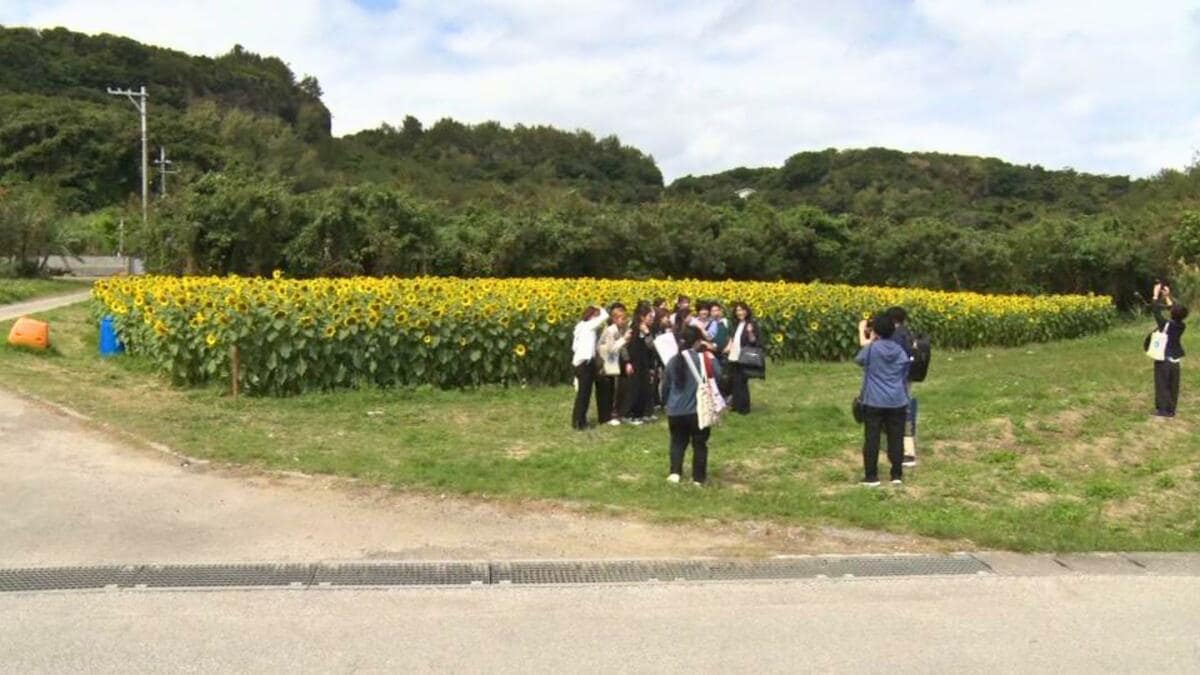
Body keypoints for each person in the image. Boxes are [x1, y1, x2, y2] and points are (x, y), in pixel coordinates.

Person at [855, 314, 910, 486]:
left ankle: (871, 476)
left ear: (875, 331)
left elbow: (859, 360)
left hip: (874, 400)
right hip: (897, 400)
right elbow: (904, 367)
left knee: (872, 438)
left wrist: (869, 337)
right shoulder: (899, 350)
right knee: (896, 437)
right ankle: (896, 475)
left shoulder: (871, 349)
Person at [662, 326, 721, 485]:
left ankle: (675, 473)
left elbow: (665, 385)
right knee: (699, 444)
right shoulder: (706, 359)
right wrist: (712, 353)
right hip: (698, 410)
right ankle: (698, 478)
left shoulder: (674, 360)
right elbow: (719, 376)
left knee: (677, 442)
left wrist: (665, 403)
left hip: (675, 410)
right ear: (697, 341)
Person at [886, 306, 918, 468]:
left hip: (898, 378)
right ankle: (905, 448)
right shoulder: (908, 332)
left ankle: (907, 452)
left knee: (902, 412)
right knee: (906, 410)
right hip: (908, 376)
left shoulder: (895, 335)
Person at [1152, 282, 1188, 418]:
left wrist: (1155, 295)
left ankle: (1162, 411)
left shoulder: (1165, 324)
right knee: (1173, 386)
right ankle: (1171, 410)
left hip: (1164, 359)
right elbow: (1175, 310)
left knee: (1162, 384)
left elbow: (1155, 311)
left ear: (1172, 313)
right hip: (1175, 360)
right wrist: (1167, 296)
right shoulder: (1181, 325)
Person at [570, 304, 609, 430]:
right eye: (596, 315)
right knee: (584, 395)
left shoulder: (580, 326)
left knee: (582, 394)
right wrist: (600, 307)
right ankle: (579, 422)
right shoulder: (589, 325)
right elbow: (605, 316)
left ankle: (578, 420)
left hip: (579, 363)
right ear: (592, 315)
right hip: (586, 363)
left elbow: (574, 347)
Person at [595, 303, 630, 426]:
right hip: (603, 364)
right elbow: (611, 349)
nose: (624, 321)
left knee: (611, 389)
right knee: (605, 390)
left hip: (610, 363)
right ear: (615, 319)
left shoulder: (618, 329)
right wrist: (624, 339)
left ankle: (609, 415)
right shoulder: (610, 330)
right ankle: (605, 417)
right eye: (622, 318)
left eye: (625, 318)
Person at [623, 305, 657, 424]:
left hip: (644, 363)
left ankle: (642, 413)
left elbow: (652, 347)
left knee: (644, 388)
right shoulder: (632, 329)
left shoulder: (648, 329)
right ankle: (628, 415)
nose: (652, 319)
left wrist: (647, 333)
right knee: (634, 389)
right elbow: (625, 347)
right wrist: (627, 362)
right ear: (642, 317)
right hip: (633, 363)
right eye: (650, 316)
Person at [724, 301, 759, 415]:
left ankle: (744, 408)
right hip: (734, 356)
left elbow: (754, 340)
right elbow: (734, 338)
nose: (740, 312)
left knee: (742, 382)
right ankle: (736, 405)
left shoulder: (751, 323)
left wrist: (750, 332)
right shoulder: (737, 324)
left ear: (747, 311)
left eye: (742, 310)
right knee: (734, 381)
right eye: (738, 310)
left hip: (744, 356)